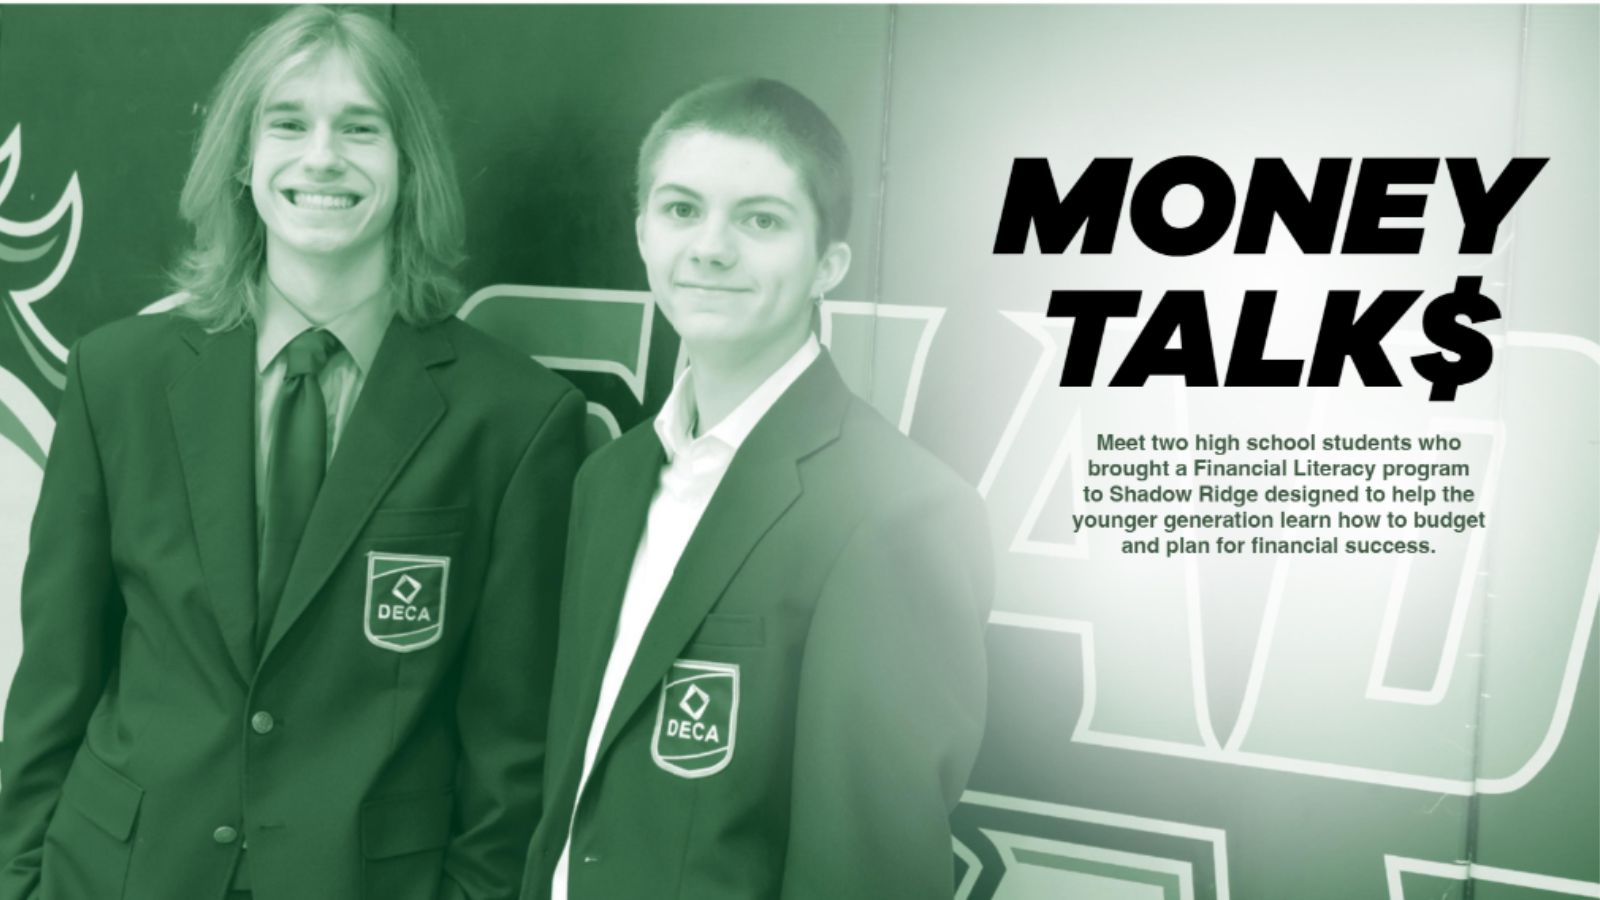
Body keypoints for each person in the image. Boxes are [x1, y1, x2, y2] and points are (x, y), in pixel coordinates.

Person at [0, 7, 583, 900]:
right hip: (113, 875)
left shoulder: (514, 417)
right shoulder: (116, 377)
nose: (322, 157)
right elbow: (52, 682)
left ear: (410, 161)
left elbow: (509, 757)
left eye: (361, 128)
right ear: (241, 156)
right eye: (288, 124)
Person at [522, 78, 993, 900]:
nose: (710, 247)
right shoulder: (609, 478)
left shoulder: (896, 514)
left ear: (829, 265)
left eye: (761, 220)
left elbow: (866, 874)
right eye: (680, 210)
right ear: (641, 234)